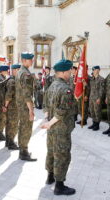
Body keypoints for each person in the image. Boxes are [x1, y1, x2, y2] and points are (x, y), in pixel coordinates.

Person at [41, 59, 76, 196]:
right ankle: (59, 186)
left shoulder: (52, 86)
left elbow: (45, 105)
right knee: (62, 155)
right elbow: (62, 111)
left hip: (51, 128)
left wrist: (47, 120)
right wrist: (49, 123)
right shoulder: (66, 89)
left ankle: (50, 176)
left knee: (51, 151)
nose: (70, 73)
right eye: (69, 71)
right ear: (62, 72)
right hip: (61, 128)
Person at [15, 52, 37, 161]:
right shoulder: (26, 74)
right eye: (30, 60)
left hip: (20, 105)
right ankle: (23, 152)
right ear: (24, 61)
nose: (32, 61)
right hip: (25, 106)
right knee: (26, 129)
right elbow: (27, 95)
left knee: (22, 127)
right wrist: (31, 110)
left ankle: (22, 150)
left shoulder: (20, 71)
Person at [4, 64, 21, 150]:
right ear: (15, 70)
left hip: (13, 106)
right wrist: (5, 106)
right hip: (12, 107)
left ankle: (8, 142)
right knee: (13, 125)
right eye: (19, 70)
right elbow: (8, 95)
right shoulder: (12, 81)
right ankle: (11, 143)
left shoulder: (13, 80)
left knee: (9, 124)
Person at [0, 65, 10, 141]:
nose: (8, 72)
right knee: (1, 118)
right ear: (3, 71)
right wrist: (2, 105)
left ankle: (0, 133)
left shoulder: (1, 78)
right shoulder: (0, 79)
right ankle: (0, 134)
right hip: (0, 101)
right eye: (7, 70)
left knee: (1, 118)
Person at [88, 66, 105, 131]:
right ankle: (94, 123)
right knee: (92, 111)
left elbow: (102, 89)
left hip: (97, 98)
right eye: (94, 70)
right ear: (93, 71)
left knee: (97, 111)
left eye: (97, 70)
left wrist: (99, 98)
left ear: (99, 70)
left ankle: (97, 125)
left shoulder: (101, 79)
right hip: (91, 98)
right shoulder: (92, 79)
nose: (96, 71)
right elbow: (90, 88)